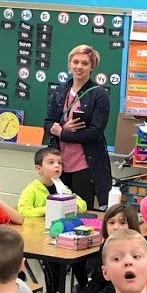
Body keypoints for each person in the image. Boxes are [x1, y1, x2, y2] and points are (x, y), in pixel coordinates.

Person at [17, 146, 87, 293]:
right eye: (51, 162)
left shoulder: (61, 187)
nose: (57, 166)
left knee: (80, 252)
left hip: (61, 233)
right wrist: (47, 209)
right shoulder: (32, 189)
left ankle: (84, 288)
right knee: (52, 259)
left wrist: (75, 205)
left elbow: (82, 204)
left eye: (60, 163)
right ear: (39, 168)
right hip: (40, 237)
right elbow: (23, 211)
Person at [43, 44, 112, 209]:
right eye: (75, 62)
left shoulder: (99, 95)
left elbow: (95, 133)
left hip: (85, 165)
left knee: (81, 210)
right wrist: (60, 128)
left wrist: (63, 134)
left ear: (92, 67)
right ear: (69, 64)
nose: (79, 67)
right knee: (58, 210)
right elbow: (47, 124)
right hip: (59, 164)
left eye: (85, 63)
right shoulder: (60, 91)